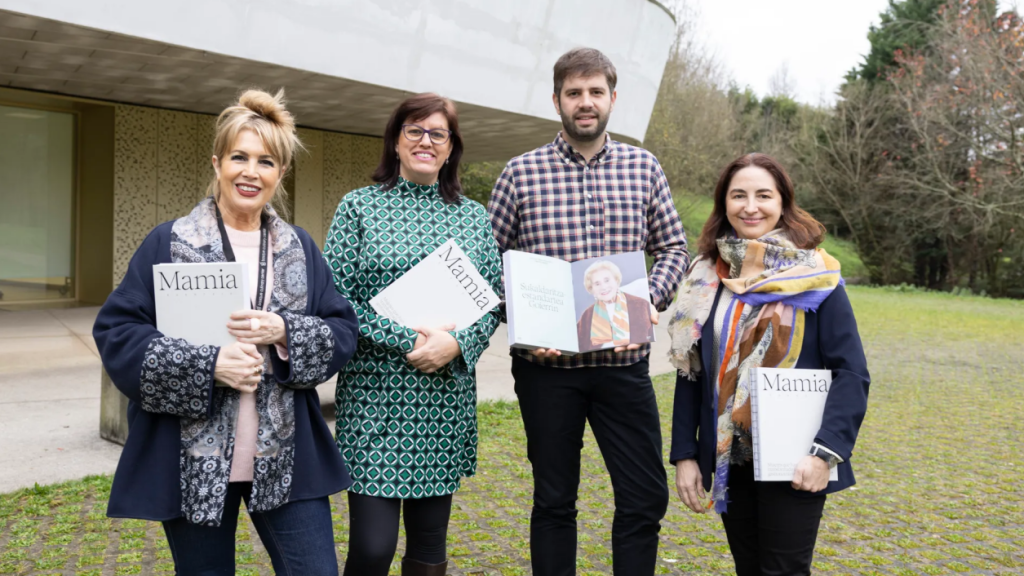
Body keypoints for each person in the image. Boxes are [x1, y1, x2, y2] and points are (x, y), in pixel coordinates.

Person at [92, 89, 359, 576]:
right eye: (239, 157)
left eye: (266, 161)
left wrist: (284, 331)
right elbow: (117, 331)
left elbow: (342, 329)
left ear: (280, 173)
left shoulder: (299, 248)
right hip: (189, 458)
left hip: (286, 455)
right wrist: (208, 365)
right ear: (217, 162)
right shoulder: (170, 242)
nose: (250, 172)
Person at [487, 48, 689, 576]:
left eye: (595, 92)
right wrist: (527, 326)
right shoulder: (519, 173)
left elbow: (673, 248)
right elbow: (490, 265)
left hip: (623, 367)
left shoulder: (643, 167)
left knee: (644, 497)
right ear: (556, 100)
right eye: (574, 93)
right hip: (546, 370)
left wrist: (645, 307)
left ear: (612, 99)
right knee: (554, 502)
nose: (585, 102)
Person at [323, 93, 502, 576]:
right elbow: (335, 302)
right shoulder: (358, 207)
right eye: (415, 131)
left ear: (450, 148)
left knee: (428, 547)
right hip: (376, 395)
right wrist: (409, 339)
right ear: (396, 142)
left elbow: (490, 304)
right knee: (374, 546)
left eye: (437, 134)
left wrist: (458, 343)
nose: (426, 141)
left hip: (443, 399)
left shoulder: (474, 217)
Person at [667, 153, 870, 576]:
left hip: (795, 456)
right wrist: (686, 453)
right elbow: (692, 373)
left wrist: (824, 454)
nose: (750, 206)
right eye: (738, 195)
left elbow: (851, 372)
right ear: (724, 203)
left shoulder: (816, 275)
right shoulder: (705, 276)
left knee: (783, 570)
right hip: (732, 455)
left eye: (764, 195)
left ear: (783, 202)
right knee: (750, 568)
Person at [576, 260, 655, 353]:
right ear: (591, 289)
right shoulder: (587, 314)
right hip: (589, 362)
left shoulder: (640, 304)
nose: (603, 287)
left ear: (616, 281)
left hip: (629, 359)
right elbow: (579, 343)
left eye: (607, 280)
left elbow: (647, 334)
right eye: (597, 284)